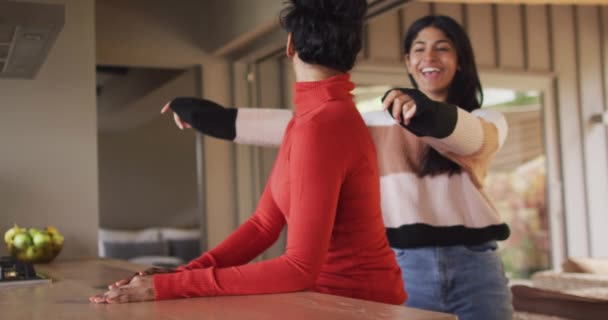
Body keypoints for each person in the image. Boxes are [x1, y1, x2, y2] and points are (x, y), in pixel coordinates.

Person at [158, 15, 514, 319]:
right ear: (407, 61)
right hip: (407, 267)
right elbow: (297, 125)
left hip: (475, 268)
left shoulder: (487, 119)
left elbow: (467, 137)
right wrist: (208, 116)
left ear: (461, 60)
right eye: (419, 48)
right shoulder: (373, 122)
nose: (429, 56)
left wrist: (426, 113)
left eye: (442, 47)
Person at [89, 0, 406, 305]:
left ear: (290, 45)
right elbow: (263, 225)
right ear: (354, 51)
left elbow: (298, 269)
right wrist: (183, 273)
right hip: (329, 300)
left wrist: (170, 286)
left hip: (358, 305)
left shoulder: (323, 125)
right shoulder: (310, 121)